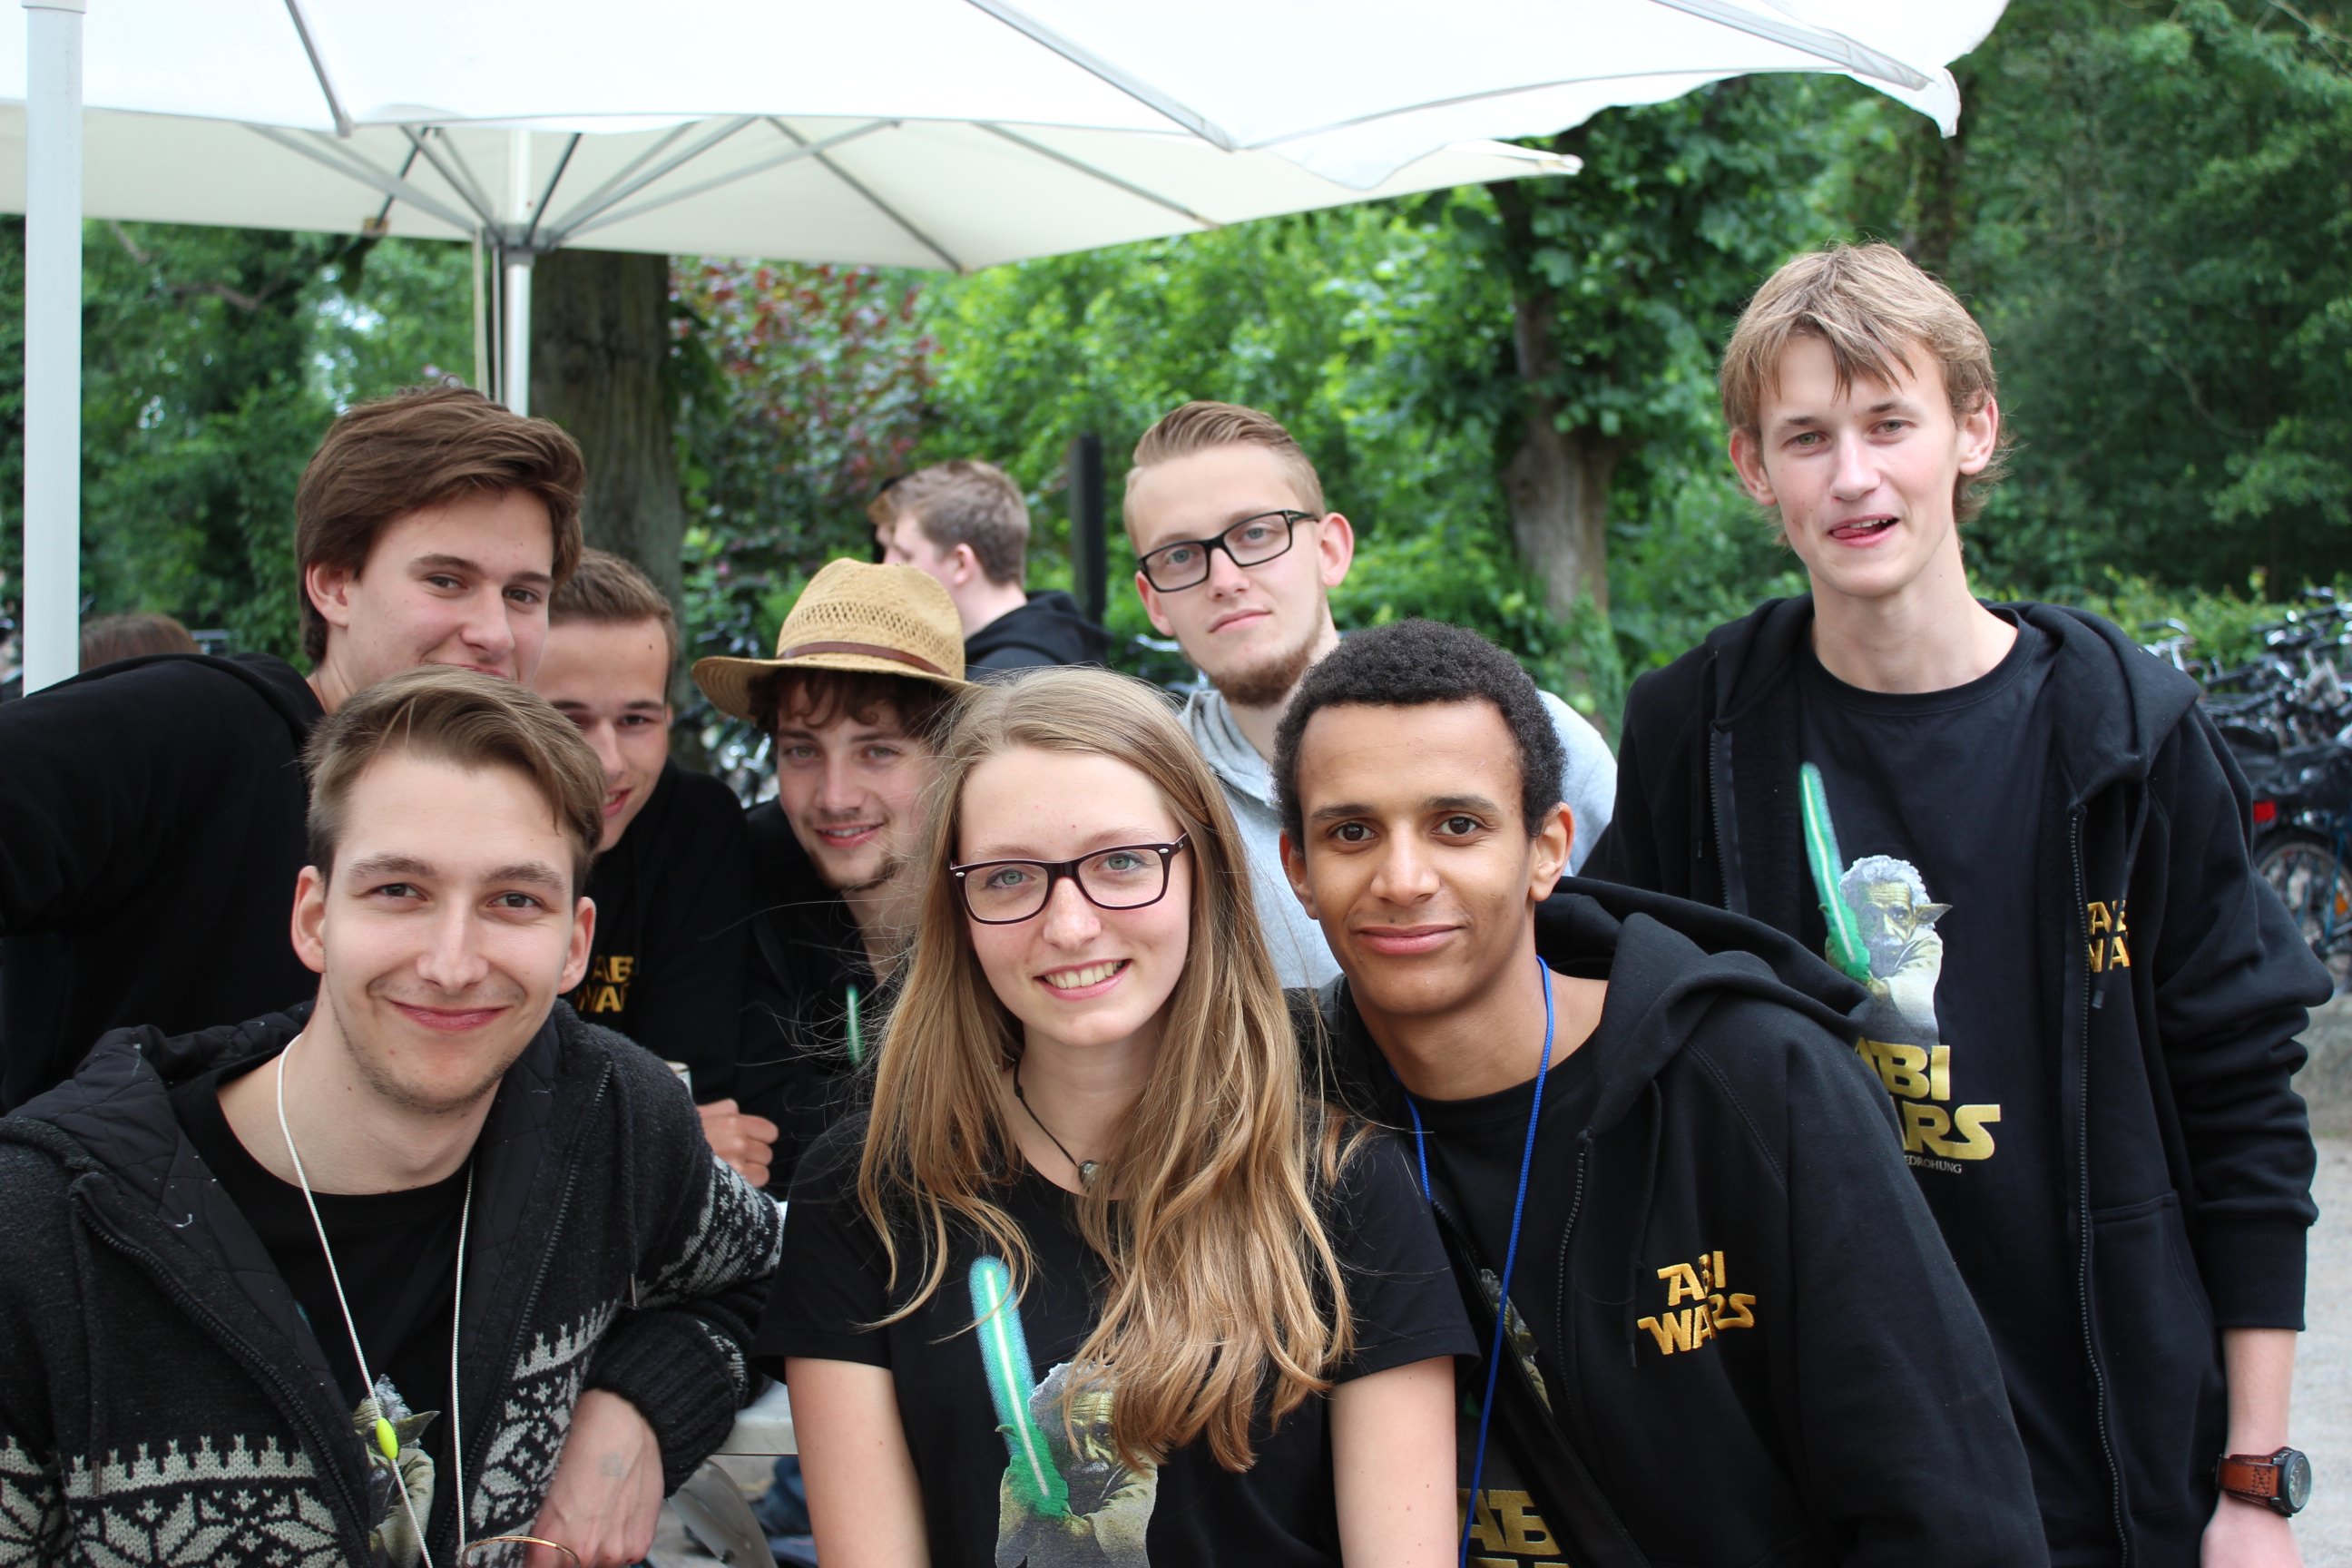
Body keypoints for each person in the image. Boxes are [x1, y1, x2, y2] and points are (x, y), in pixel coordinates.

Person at [1589, 241, 2330, 1564]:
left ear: (1973, 430)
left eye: (1890, 423)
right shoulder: (1694, 732)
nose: (1852, 476)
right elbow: (1619, 1074)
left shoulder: (2130, 737)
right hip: (1816, 1478)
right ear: (1754, 468)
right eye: (1806, 438)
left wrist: (2253, 1483)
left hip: (2107, 1469)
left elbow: (2245, 1112)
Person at [1273, 617, 2048, 1566]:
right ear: (1298, 870)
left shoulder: (1757, 1082)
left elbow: (1948, 1509)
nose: (1402, 878)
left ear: (1548, 848)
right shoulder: (1268, 1107)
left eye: (1458, 826)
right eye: (1352, 832)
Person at [0, 666, 779, 1568]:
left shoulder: (611, 1122)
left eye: (514, 900)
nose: (452, 964)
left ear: (575, 945)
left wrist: (639, 1408)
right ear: (313, 917)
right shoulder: (49, 1239)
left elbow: (760, 1281)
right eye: (400, 891)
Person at [761, 666, 1474, 1567]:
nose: (1070, 926)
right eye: (1009, 876)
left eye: (1122, 863)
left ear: (1202, 870)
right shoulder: (863, 1192)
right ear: (957, 903)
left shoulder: (1342, 1188)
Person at [0, 382, 583, 1110]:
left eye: (523, 595)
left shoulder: (511, 814)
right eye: (446, 580)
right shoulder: (201, 729)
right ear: (334, 584)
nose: (494, 633)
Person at [1122, 400, 1618, 987]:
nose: (1225, 580)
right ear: (1153, 600)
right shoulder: (1140, 800)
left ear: (1330, 551)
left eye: (1256, 533)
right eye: (1180, 556)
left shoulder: (1530, 737)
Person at [694, 558, 970, 1185]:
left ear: (951, 755)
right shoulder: (744, 873)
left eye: (877, 751)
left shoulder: (1005, 890)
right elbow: (746, 1116)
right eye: (802, 750)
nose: (835, 796)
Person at [538, 548, 777, 1186]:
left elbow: (691, 1080)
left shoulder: (696, 824)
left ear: (669, 719)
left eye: (635, 720)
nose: (608, 762)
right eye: (569, 721)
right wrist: (657, 1137)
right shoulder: (456, 835)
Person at [872, 458, 1110, 673]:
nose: (888, 566)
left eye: (905, 555)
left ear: (960, 563)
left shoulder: (1002, 685)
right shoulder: (1056, 648)